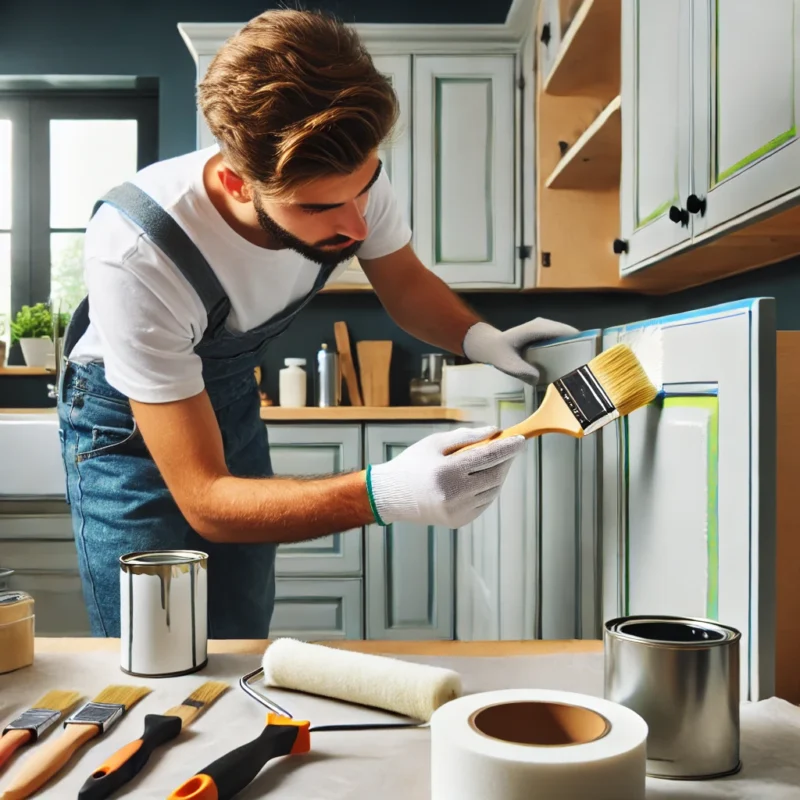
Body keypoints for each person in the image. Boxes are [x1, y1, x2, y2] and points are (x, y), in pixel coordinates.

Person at [56, 8, 578, 639]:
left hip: (226, 394)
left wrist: (479, 337)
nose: (357, 226)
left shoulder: (349, 180)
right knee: (156, 639)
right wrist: (386, 492)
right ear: (237, 183)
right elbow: (208, 500)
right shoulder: (141, 250)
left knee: (240, 620)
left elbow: (405, 282)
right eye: (321, 207)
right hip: (122, 426)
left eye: (366, 189)